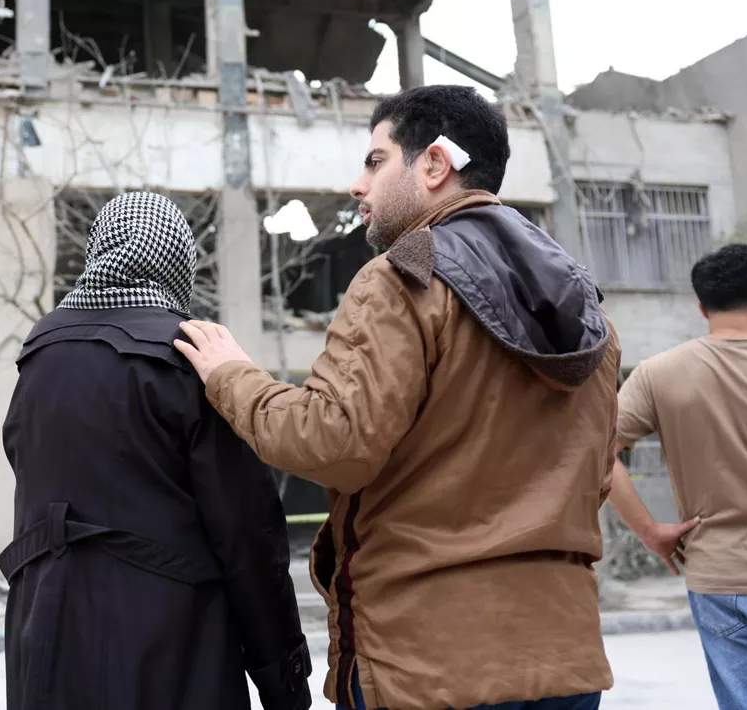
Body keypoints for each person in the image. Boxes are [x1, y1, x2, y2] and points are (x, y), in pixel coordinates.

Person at [176, 85, 619, 710]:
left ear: (436, 164)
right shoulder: (584, 309)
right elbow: (595, 477)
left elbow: (334, 443)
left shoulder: (402, 277)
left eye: (376, 161)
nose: (359, 185)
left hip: (429, 662)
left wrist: (230, 375)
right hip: (564, 661)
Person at [0, 191, 312, 710]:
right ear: (176, 261)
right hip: (171, 649)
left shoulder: (39, 357)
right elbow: (246, 532)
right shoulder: (193, 356)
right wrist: (283, 674)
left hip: (45, 637)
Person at [608, 243, 747, 708]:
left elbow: (592, 450)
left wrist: (650, 532)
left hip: (720, 579)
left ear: (701, 306)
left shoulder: (659, 373)